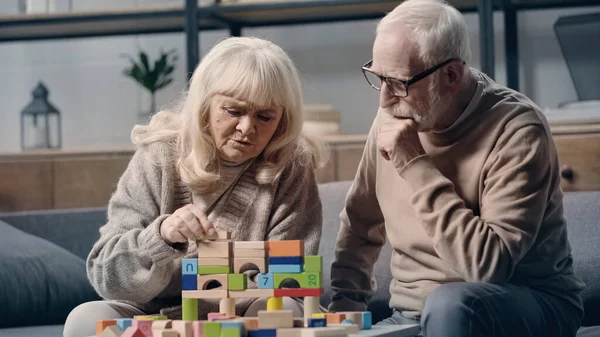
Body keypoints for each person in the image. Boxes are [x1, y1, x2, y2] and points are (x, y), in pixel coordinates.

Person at [329, 0, 585, 336]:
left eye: (399, 83)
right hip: (410, 316)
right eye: (379, 79)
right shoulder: (393, 112)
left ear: (450, 75)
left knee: (451, 305)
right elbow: (360, 224)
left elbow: (487, 266)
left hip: (524, 303)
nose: (384, 101)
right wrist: (345, 313)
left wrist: (415, 165)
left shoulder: (518, 129)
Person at [63, 36, 323, 337]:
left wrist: (206, 313)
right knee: (84, 318)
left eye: (265, 117)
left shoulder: (291, 167)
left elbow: (290, 281)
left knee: (283, 311)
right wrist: (160, 237)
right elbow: (105, 274)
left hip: (239, 313)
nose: (247, 129)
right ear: (205, 105)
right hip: (150, 315)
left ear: (282, 121)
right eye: (234, 111)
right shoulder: (158, 156)